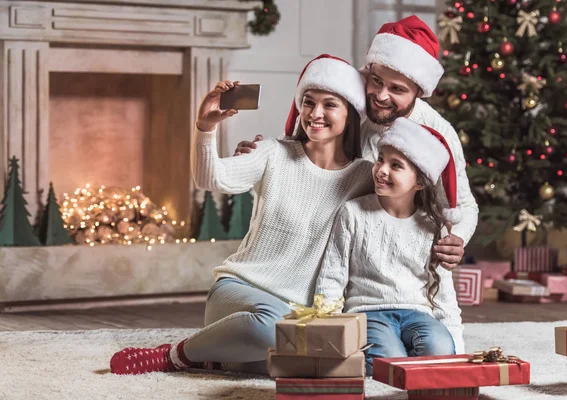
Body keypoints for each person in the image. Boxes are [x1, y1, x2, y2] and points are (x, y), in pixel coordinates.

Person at [109, 54, 374, 375]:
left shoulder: (365, 177)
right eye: (308, 102)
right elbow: (211, 178)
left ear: (351, 114)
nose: (315, 113)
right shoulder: (273, 153)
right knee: (274, 331)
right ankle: (176, 355)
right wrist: (205, 127)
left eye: (330, 104)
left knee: (294, 365)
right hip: (241, 293)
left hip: (302, 313)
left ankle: (219, 355)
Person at [234, 16, 479, 270]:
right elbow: (297, 156)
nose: (381, 96)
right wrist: (258, 159)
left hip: (395, 255)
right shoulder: (345, 100)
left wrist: (456, 238)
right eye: (376, 81)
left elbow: (463, 205)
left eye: (397, 89)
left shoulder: (438, 133)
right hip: (326, 245)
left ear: (419, 91)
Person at [315, 117, 464, 376]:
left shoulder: (432, 226)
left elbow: (443, 295)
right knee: (391, 363)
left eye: (396, 166)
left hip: (417, 313)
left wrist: (457, 351)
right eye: (381, 159)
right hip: (368, 312)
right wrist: (328, 328)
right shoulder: (353, 213)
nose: (382, 169)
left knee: (440, 349)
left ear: (419, 182)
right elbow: (332, 275)